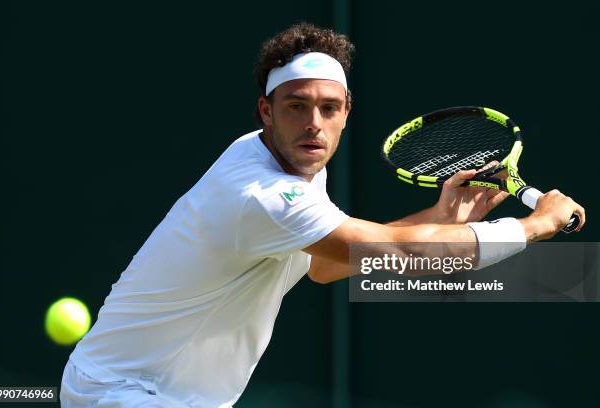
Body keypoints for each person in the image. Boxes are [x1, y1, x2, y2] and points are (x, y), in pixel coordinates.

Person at [60, 22, 585, 407]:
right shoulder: (262, 194)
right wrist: (532, 225)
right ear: (266, 110)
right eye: (296, 106)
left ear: (347, 111)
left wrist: (441, 215)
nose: (314, 123)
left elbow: (328, 264)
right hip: (122, 395)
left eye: (328, 108)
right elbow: (396, 254)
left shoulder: (294, 162)